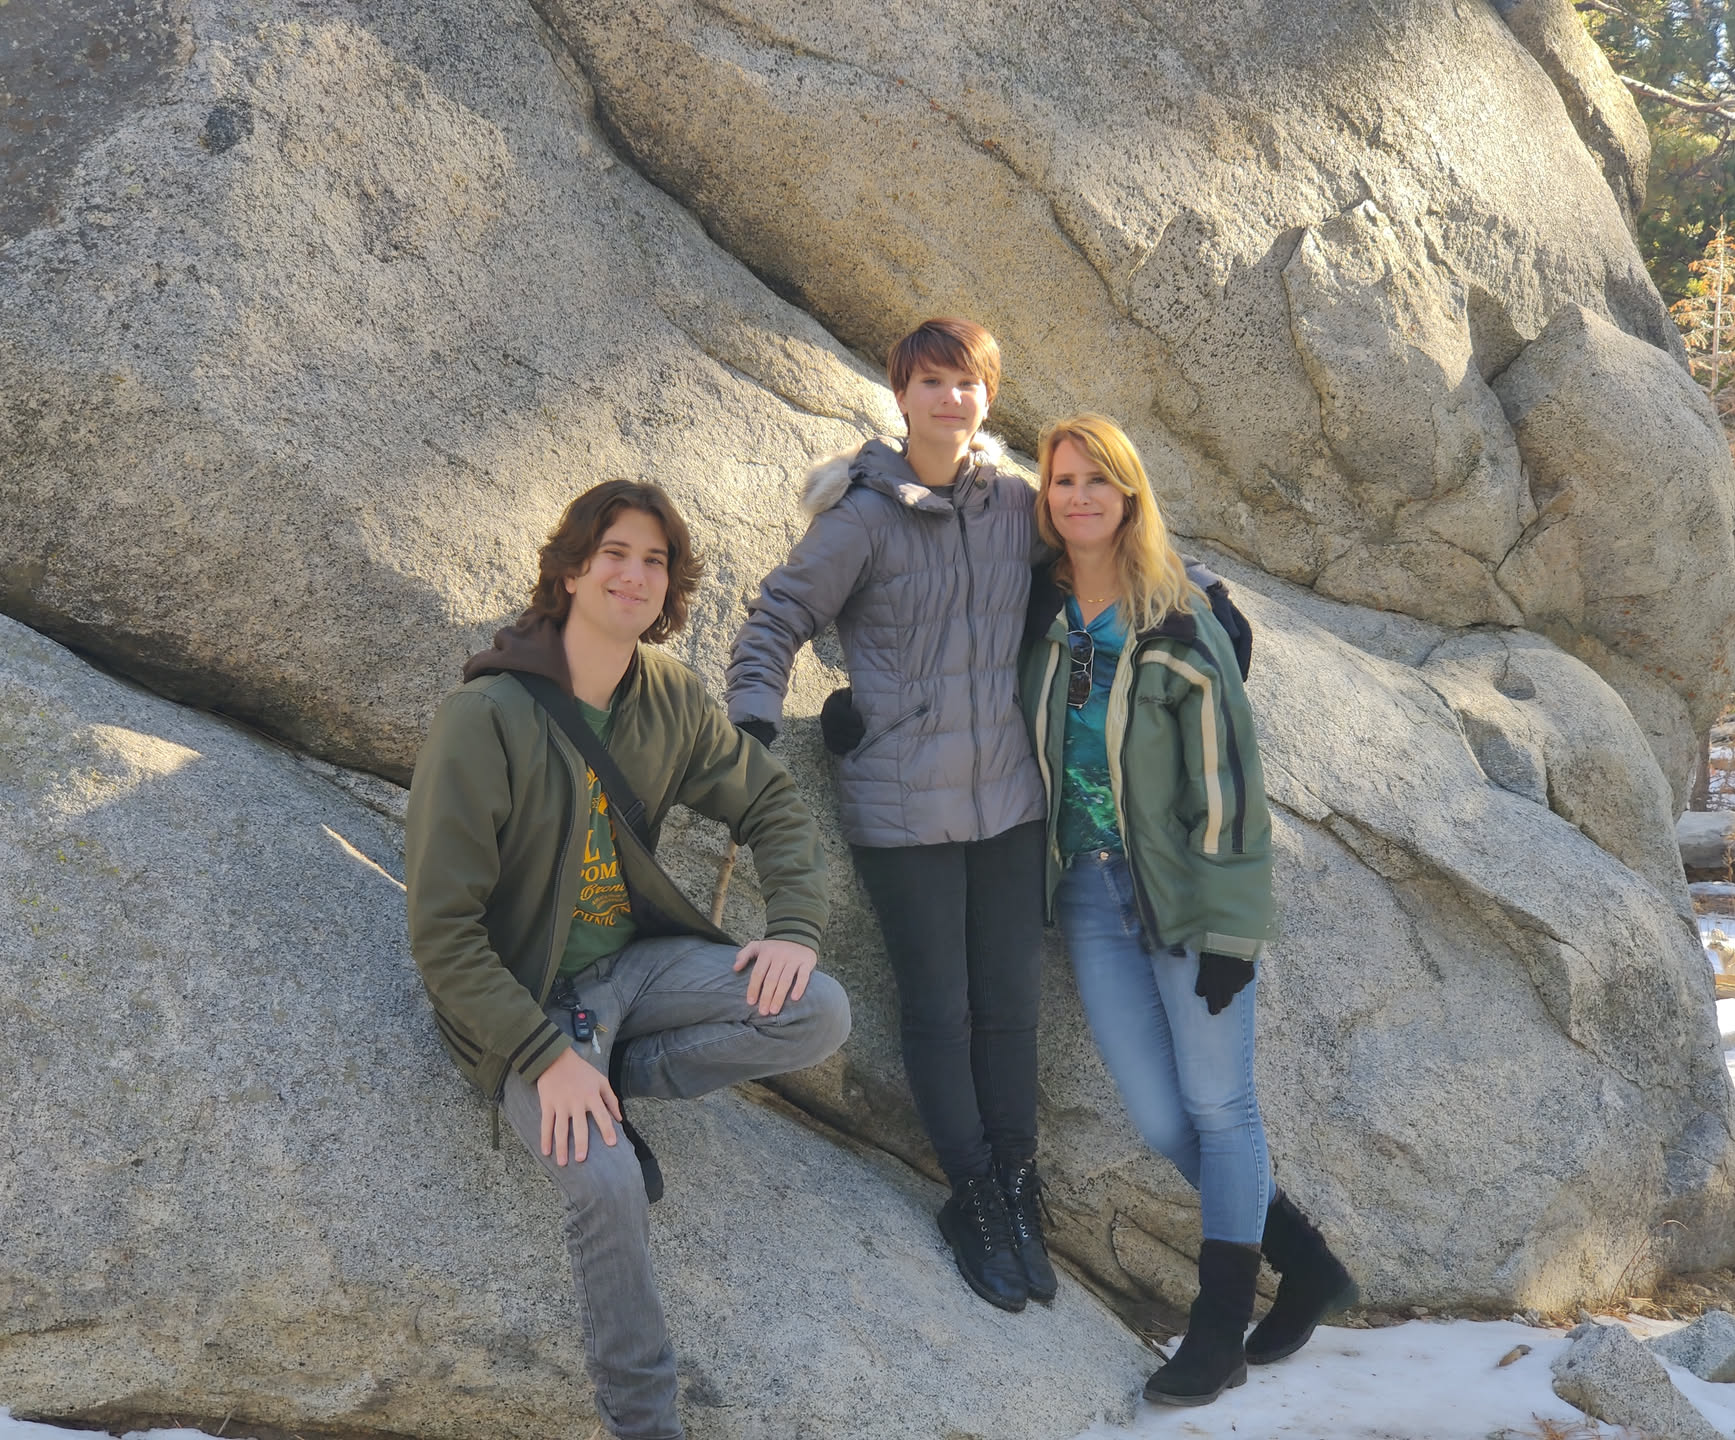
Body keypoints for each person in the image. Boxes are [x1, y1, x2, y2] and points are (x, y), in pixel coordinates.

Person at [406, 480, 851, 1440]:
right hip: (531, 1004)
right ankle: (646, 1423)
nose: (635, 575)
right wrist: (546, 1057)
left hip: (635, 973)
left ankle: (616, 1073)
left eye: (655, 560)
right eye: (614, 552)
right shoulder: (485, 716)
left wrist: (795, 927)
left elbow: (771, 804)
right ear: (571, 570)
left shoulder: (668, 696)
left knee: (818, 1008)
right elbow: (444, 933)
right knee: (607, 1183)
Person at [1017, 414, 1355, 1407]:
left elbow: (1230, 788)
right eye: (1062, 480)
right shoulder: (1036, 609)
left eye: (1098, 479)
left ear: (1129, 494)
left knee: (1220, 1106)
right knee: (1165, 1119)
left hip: (1182, 897)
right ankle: (1307, 1263)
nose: (1079, 496)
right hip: (1088, 894)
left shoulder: (1175, 616)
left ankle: (1218, 1332)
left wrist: (1230, 932)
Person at [725, 317, 1053, 1312]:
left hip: (1009, 800)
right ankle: (974, 1198)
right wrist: (751, 721)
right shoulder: (863, 517)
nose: (952, 398)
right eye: (932, 381)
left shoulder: (1017, 506)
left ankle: (1019, 1186)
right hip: (902, 805)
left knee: (1012, 1005)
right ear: (901, 393)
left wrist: (1202, 596)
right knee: (941, 1008)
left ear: (989, 397)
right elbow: (777, 618)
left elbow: (1112, 543)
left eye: (968, 383)